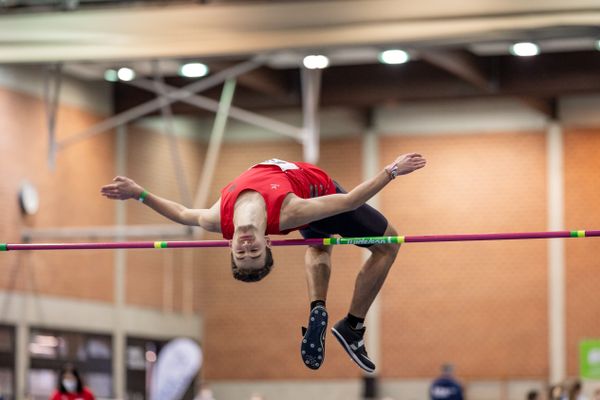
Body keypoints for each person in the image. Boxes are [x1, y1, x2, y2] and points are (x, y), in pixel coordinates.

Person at [101, 153, 426, 372]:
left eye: (241, 254)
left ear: (230, 246)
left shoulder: (218, 220)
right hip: (320, 197)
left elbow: (183, 213)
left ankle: (318, 309)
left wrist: (139, 193)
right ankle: (352, 326)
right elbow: (350, 200)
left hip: (306, 201)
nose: (246, 247)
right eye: (253, 252)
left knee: (318, 245)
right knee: (388, 245)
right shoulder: (288, 212)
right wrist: (393, 170)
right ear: (266, 242)